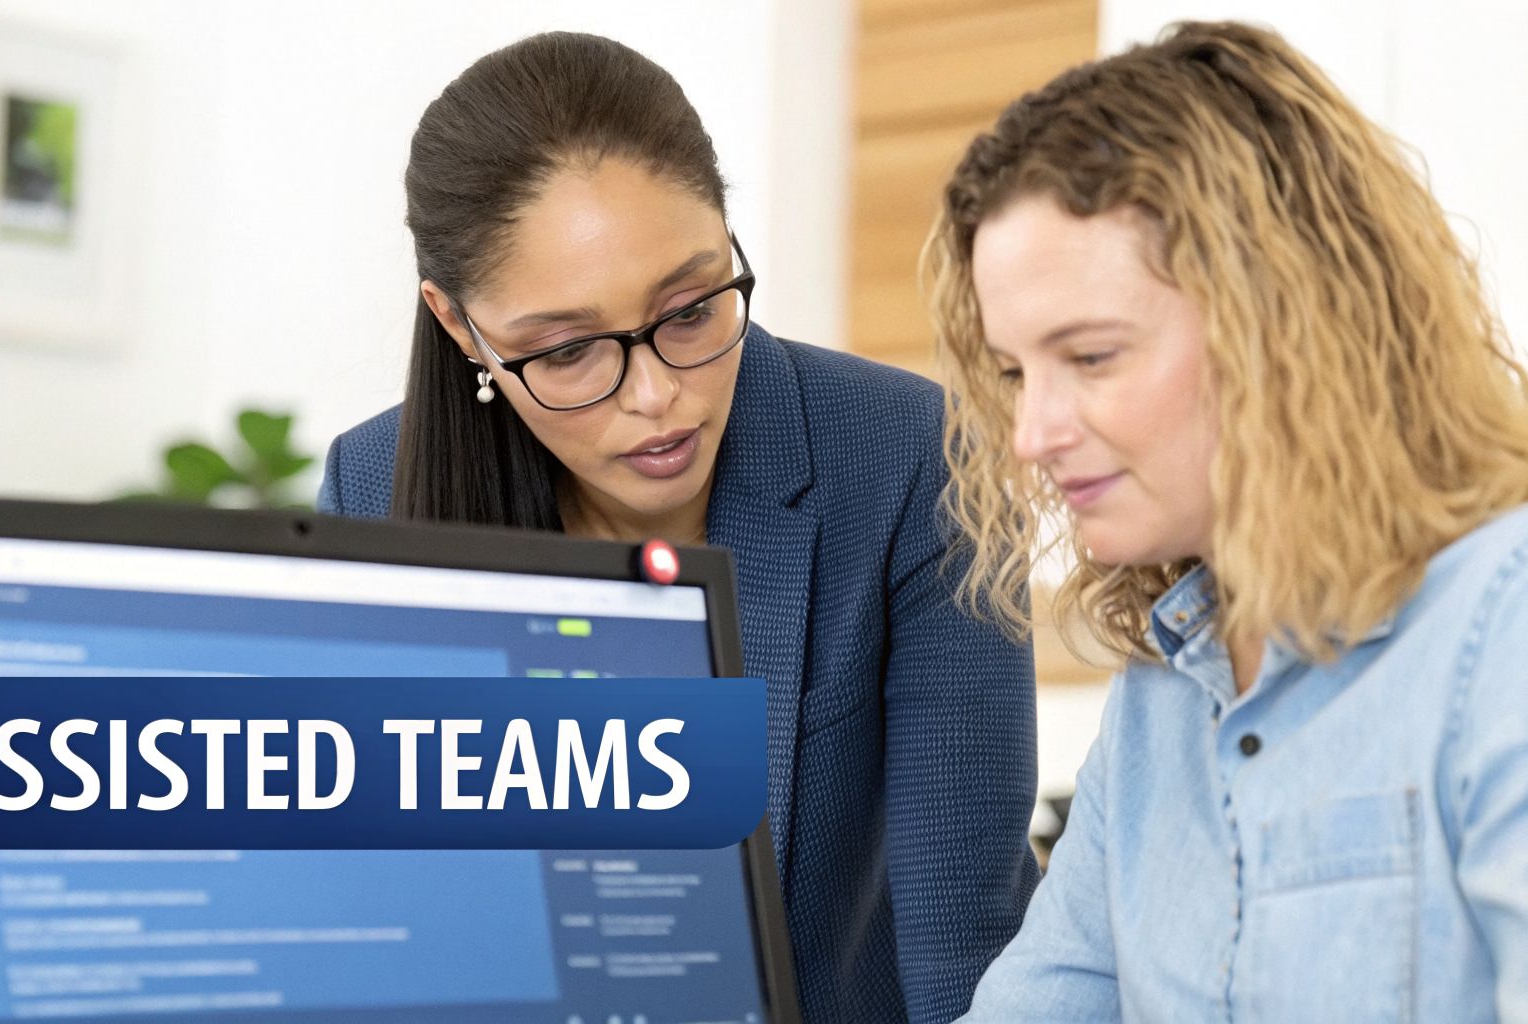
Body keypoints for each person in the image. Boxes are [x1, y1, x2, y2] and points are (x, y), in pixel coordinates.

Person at [316, 31, 1038, 1023]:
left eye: (692, 309)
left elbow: (968, 947)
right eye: (567, 350)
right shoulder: (370, 487)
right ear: (458, 325)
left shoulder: (908, 455)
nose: (659, 396)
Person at [927, 21, 1528, 1022]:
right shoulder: (1160, 695)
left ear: (1279, 327)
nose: (1028, 433)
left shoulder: (1495, 629)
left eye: (1090, 357)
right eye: (1011, 373)